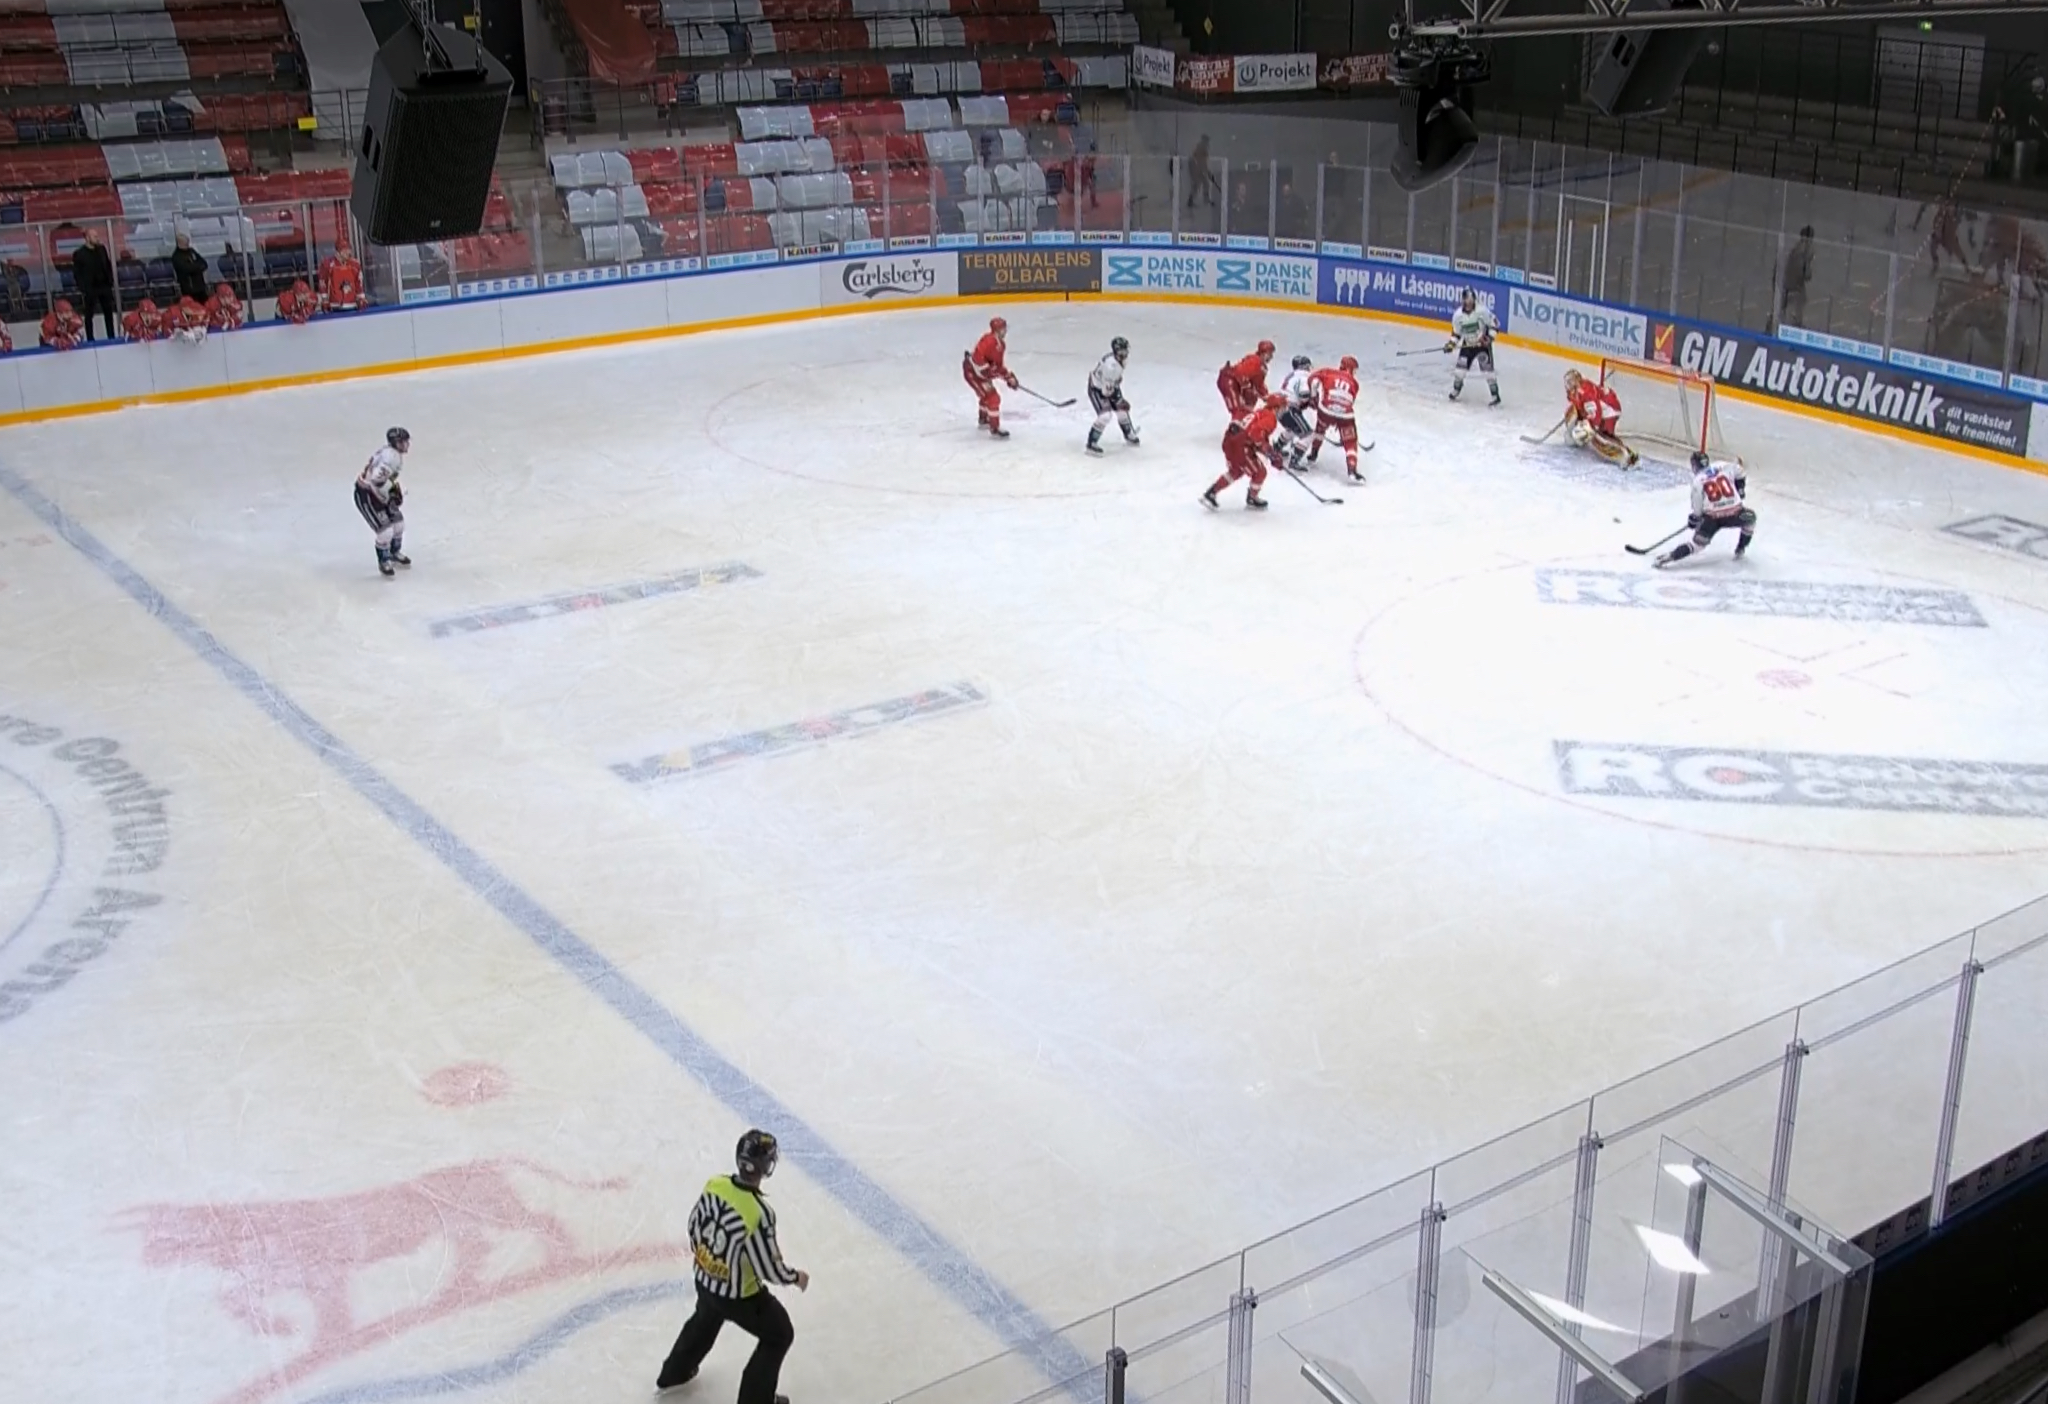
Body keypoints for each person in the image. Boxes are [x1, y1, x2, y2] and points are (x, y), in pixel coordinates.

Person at [657, 1129, 809, 1404]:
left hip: (704, 1279)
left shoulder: (715, 1184)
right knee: (779, 1334)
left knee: (705, 1319)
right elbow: (768, 1269)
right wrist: (795, 1277)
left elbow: (693, 1226)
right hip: (741, 1298)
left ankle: (674, 1373)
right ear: (765, 1167)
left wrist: (708, 1263)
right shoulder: (759, 1213)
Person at [1655, 452, 1756, 569]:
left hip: (1712, 519)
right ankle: (1740, 549)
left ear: (1694, 466)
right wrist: (1740, 488)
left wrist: (1694, 520)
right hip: (1734, 513)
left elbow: (1697, 512)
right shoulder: (1723, 466)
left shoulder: (1697, 481)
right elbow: (1740, 471)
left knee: (1697, 545)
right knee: (1750, 520)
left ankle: (1668, 557)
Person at [1201, 393, 1286, 513]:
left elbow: (1257, 436)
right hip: (1241, 447)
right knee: (1259, 472)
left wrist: (1270, 453)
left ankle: (1211, 493)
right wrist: (1271, 454)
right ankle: (1252, 498)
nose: (1284, 411)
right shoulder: (1270, 418)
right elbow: (1256, 435)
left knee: (1236, 471)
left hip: (1231, 443)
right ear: (1276, 408)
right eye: (1283, 408)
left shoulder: (1260, 412)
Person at [354, 427, 411, 578]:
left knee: (398, 525)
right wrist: (392, 492)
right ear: (396, 443)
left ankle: (394, 552)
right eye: (404, 441)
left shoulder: (392, 454)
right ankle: (384, 560)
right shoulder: (391, 458)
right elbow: (376, 480)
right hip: (367, 495)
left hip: (378, 493)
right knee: (385, 532)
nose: (407, 444)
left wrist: (392, 491)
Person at [1306, 355, 1366, 482]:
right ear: (1350, 369)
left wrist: (1313, 396)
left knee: (1320, 429)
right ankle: (1352, 470)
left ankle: (1313, 453)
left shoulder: (1328, 372)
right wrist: (1340, 426)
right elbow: (1349, 402)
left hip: (1326, 409)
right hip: (1345, 415)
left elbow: (1313, 379)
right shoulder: (1355, 383)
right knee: (1350, 442)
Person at [1562, 369, 1638, 467]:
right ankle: (1572, 436)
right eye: (1567, 382)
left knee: (1597, 438)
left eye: (1571, 381)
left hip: (1609, 409)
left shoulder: (1585, 392)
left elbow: (1596, 411)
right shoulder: (1574, 391)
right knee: (1572, 412)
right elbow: (1579, 407)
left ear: (1577, 380)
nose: (1568, 384)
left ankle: (1625, 456)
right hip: (1602, 408)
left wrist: (1591, 428)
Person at [964, 316, 1019, 438]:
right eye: (1003, 329)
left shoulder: (1001, 345)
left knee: (987, 395)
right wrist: (989, 371)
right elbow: (978, 360)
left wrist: (1009, 377)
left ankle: (983, 420)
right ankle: (994, 429)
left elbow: (998, 366)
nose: (1005, 332)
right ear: (997, 330)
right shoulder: (987, 341)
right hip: (971, 372)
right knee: (993, 398)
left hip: (979, 374)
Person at [1444, 288, 1499, 405]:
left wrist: (1489, 338)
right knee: (1459, 372)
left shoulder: (1482, 311)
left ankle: (1495, 396)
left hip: (1482, 346)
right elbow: (1456, 333)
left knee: (1488, 372)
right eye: (1466, 301)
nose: (1468, 303)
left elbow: (1495, 324)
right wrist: (1451, 344)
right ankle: (1456, 389)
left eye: (1470, 300)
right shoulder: (1458, 316)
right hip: (1467, 346)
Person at [1085, 335, 1138, 455]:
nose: (1125, 353)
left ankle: (1128, 434)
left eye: (1126, 350)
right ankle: (1091, 443)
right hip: (1097, 389)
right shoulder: (1110, 367)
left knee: (1122, 412)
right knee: (1105, 416)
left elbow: (1115, 381)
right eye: (1122, 350)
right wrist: (1119, 401)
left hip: (1109, 385)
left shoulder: (1121, 361)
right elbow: (1106, 392)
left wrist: (1119, 400)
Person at [69, 226, 116, 342]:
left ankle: (111, 336)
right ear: (87, 238)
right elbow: (77, 273)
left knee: (108, 312)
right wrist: (83, 288)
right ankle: (90, 338)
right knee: (89, 314)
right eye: (94, 236)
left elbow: (108, 265)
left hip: (104, 286)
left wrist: (110, 281)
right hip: (90, 288)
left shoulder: (101, 249)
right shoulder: (79, 254)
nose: (97, 238)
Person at [1217, 339, 1275, 419]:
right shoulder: (1255, 361)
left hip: (1232, 382)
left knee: (1244, 408)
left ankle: (1240, 422)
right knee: (1238, 410)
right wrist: (1248, 387)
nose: (1271, 357)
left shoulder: (1261, 366)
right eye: (1270, 354)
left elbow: (1259, 384)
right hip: (1229, 380)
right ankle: (1236, 426)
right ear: (1264, 353)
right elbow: (1241, 375)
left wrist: (1266, 396)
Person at [1276, 353, 1316, 468]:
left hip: (1280, 409)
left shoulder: (1291, 375)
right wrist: (1312, 401)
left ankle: (1277, 448)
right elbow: (1304, 395)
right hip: (1290, 409)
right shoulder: (1303, 377)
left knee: (1293, 429)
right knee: (1308, 434)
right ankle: (1295, 460)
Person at [1778, 225, 1814, 332]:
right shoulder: (1806, 251)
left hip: (1786, 281)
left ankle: (1780, 321)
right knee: (1800, 300)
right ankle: (1796, 325)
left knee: (1784, 305)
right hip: (1795, 283)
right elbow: (1805, 270)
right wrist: (1807, 274)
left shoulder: (1796, 248)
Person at [171, 232, 209, 304]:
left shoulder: (191, 251)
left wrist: (195, 267)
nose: (187, 245)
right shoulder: (176, 256)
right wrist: (198, 267)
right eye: (185, 243)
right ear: (179, 243)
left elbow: (204, 263)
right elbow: (187, 269)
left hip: (200, 286)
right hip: (189, 288)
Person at [1185, 134, 1218, 209]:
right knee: (1197, 185)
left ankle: (1205, 199)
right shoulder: (1202, 147)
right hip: (1195, 168)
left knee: (1205, 183)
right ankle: (1191, 201)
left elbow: (1203, 162)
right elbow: (1201, 161)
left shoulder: (1202, 147)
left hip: (1197, 168)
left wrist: (1207, 172)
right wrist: (1207, 172)